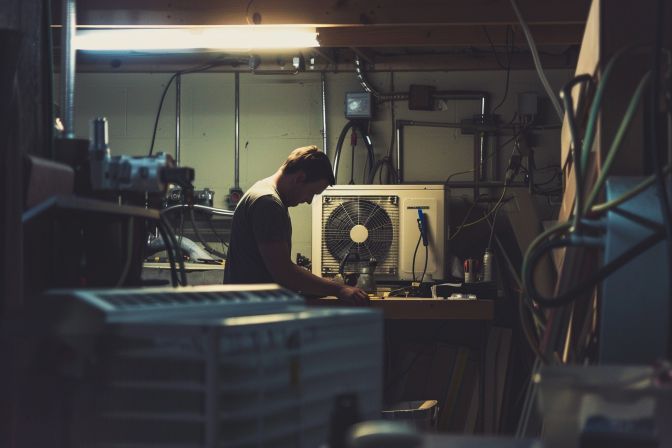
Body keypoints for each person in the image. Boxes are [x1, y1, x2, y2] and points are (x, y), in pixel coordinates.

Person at [224, 145, 369, 305]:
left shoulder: (261, 190)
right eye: (312, 193)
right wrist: (339, 289)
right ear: (299, 178)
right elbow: (284, 273)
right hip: (251, 311)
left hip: (246, 307)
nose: (308, 201)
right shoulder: (268, 204)